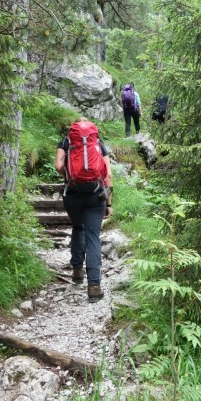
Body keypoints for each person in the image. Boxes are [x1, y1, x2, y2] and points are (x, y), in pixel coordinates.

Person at [54, 118, 113, 302]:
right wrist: (109, 203)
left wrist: (70, 176)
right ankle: (94, 287)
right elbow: (109, 175)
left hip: (72, 195)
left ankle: (77, 271)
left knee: (78, 227)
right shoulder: (98, 144)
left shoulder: (66, 141)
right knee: (93, 236)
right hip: (95, 196)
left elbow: (58, 166)